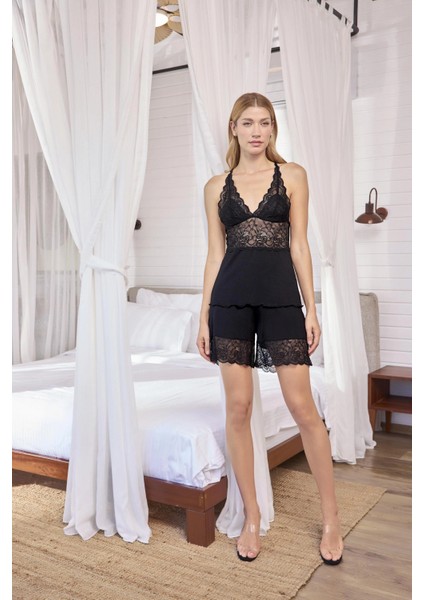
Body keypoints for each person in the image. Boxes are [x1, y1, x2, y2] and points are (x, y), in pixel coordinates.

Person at [196, 92, 344, 565]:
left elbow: (299, 245)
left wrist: (311, 308)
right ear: (234, 128)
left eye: (264, 122)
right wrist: (203, 316)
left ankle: (331, 518)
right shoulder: (215, 187)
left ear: (273, 129)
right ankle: (252, 516)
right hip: (230, 302)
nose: (256, 131)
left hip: (281, 300)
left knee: (303, 408)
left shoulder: (293, 175)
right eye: (247, 122)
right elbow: (215, 255)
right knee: (238, 408)